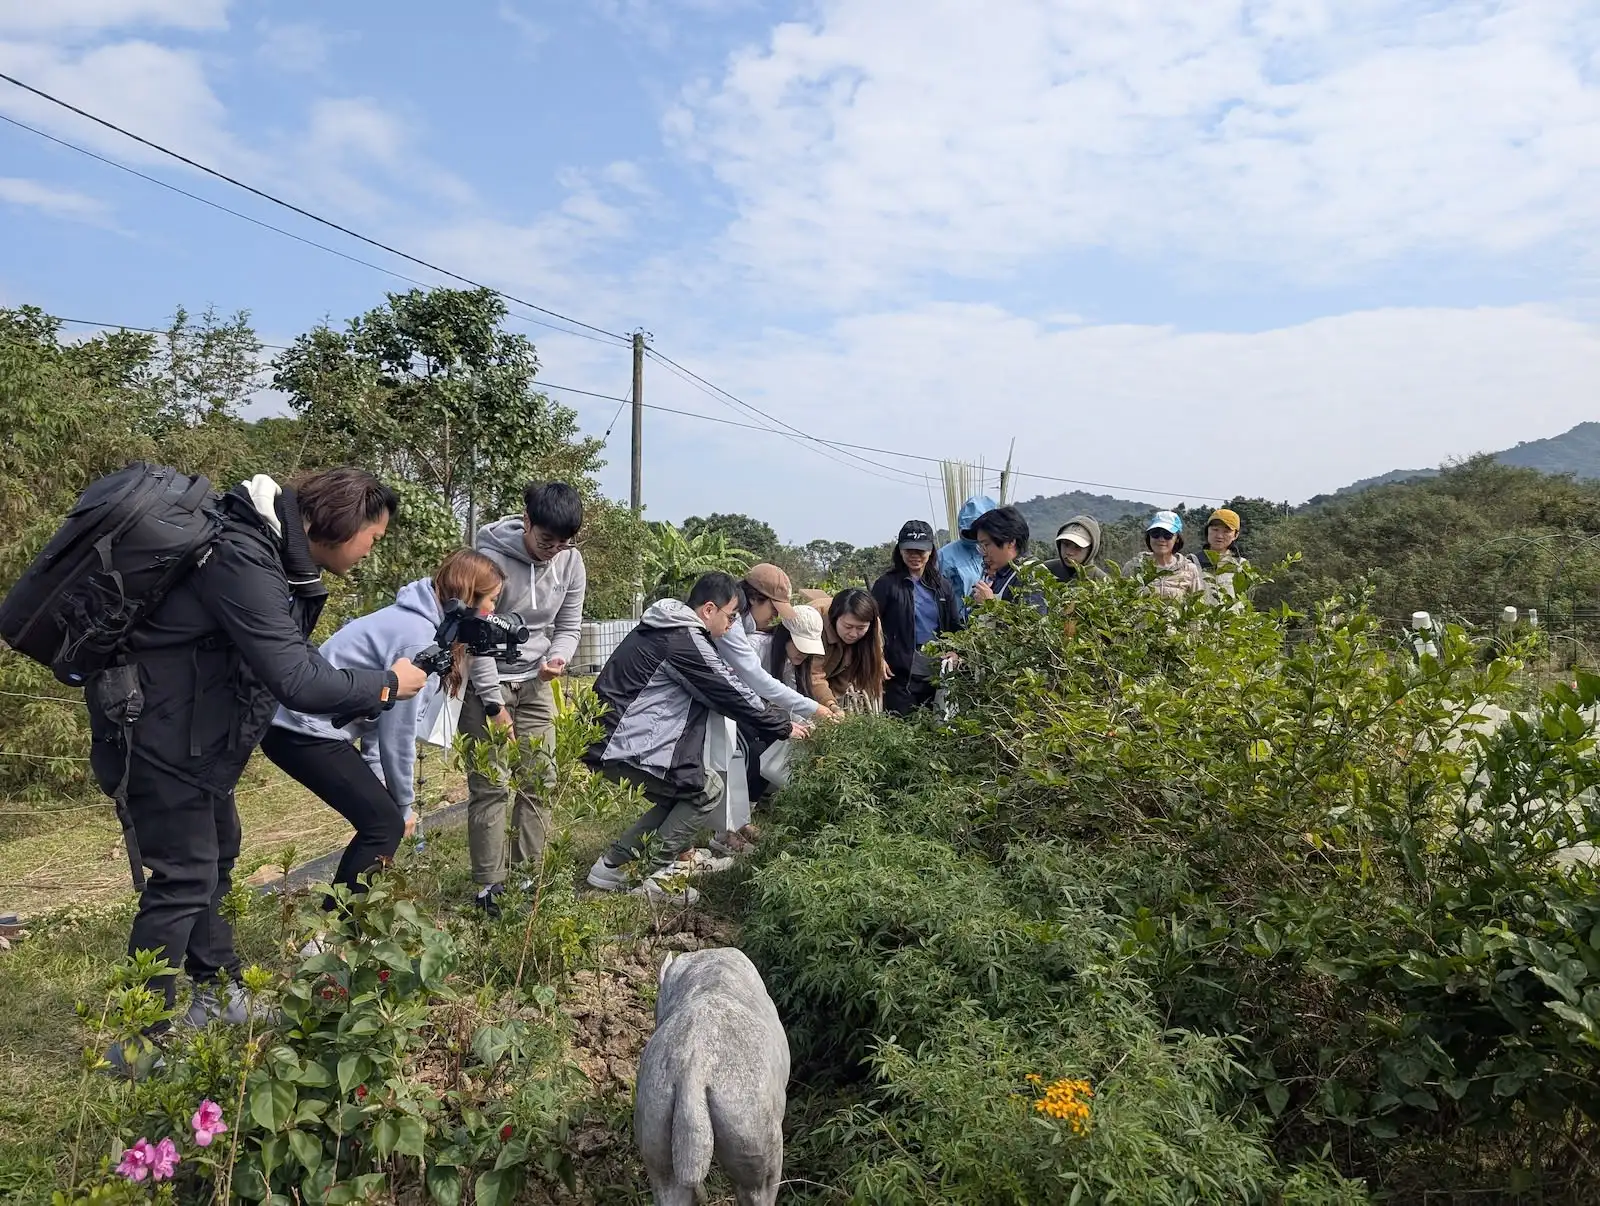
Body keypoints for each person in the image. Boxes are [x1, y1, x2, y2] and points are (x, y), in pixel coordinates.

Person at [88, 468, 428, 1051]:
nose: (370, 552)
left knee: (216, 856)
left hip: (195, 736)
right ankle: (139, 1039)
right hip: (161, 737)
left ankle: (215, 991)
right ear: (340, 524)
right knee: (181, 880)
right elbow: (297, 677)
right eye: (372, 537)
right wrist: (386, 685)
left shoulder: (259, 551)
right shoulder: (241, 558)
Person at [264, 549, 505, 907]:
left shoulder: (424, 623)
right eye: (491, 601)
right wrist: (404, 806)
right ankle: (335, 933)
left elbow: (380, 718)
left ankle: (340, 928)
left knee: (381, 820)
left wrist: (384, 786)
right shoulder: (417, 637)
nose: (493, 613)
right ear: (468, 597)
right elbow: (398, 736)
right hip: (302, 731)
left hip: (307, 728)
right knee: (384, 826)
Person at [585, 573, 808, 900]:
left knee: (686, 791)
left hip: (612, 737)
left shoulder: (666, 628)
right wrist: (783, 725)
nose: (731, 626)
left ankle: (612, 866)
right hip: (624, 741)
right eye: (731, 616)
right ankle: (659, 876)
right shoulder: (683, 638)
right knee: (706, 789)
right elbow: (727, 690)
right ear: (708, 610)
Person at [461, 482, 587, 918]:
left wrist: (558, 658)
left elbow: (569, 626)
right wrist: (493, 704)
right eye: (545, 540)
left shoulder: (570, 562)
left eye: (563, 543)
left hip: (535, 684)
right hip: (486, 686)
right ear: (527, 521)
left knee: (541, 781)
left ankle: (528, 874)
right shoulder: (489, 558)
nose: (553, 550)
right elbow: (474, 638)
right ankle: (489, 885)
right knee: (491, 785)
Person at [713, 563, 831, 722]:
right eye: (774, 608)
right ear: (754, 598)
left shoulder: (746, 626)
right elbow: (756, 677)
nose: (776, 615)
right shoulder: (732, 627)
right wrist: (814, 709)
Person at [872, 520, 963, 715]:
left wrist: (955, 652)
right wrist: (877, 657)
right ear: (900, 551)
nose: (915, 556)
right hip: (899, 673)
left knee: (937, 726)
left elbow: (955, 626)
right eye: (909, 550)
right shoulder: (886, 585)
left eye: (920, 551)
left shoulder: (942, 586)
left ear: (931, 551)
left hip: (936, 671)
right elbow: (870, 625)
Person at [820, 588, 888, 713]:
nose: (853, 634)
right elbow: (813, 676)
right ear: (835, 618)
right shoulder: (818, 628)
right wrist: (829, 704)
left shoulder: (873, 629)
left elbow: (843, 677)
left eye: (861, 628)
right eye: (848, 626)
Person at [970, 505, 1045, 611]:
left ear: (1010, 541)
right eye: (981, 547)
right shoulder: (1000, 573)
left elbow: (1032, 624)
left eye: (986, 545)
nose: (983, 553)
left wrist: (990, 605)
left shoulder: (1032, 574)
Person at [1122, 510, 1205, 598]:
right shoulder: (1133, 567)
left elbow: (1196, 604)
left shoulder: (1189, 569)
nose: (1161, 539)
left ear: (1177, 538)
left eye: (1167, 535)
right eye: (1155, 534)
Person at [939, 493, 999, 609]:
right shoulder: (945, 556)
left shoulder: (999, 553)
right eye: (972, 531)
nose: (977, 536)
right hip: (959, 622)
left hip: (993, 618)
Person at [1195, 507, 1245, 599]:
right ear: (1207, 531)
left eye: (1226, 531)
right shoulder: (1193, 562)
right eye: (1215, 529)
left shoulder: (1241, 565)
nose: (1219, 536)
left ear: (1236, 535)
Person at [1043, 516, 1107, 583]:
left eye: (1077, 547)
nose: (1069, 552)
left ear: (1090, 550)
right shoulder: (1045, 570)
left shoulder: (1103, 582)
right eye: (1066, 544)